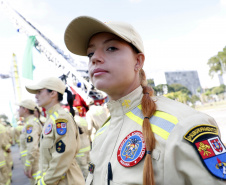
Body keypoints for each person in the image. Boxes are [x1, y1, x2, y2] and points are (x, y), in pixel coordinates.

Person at [64, 16, 226, 185]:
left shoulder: (184, 126)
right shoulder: (102, 133)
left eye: (111, 48)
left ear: (138, 61)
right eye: (90, 53)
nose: (95, 58)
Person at [25, 77, 85, 185]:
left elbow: (62, 157)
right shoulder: (51, 118)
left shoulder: (61, 118)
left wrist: (44, 182)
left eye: (39, 92)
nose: (36, 96)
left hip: (65, 181)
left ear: (53, 93)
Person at [17, 99, 42, 184]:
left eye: (20, 107)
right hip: (34, 162)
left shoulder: (31, 124)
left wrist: (28, 165)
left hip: (35, 164)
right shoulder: (29, 123)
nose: (18, 110)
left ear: (25, 109)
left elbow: (32, 147)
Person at [74, 107, 91, 179]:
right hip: (87, 144)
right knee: (89, 164)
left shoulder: (73, 121)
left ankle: (89, 181)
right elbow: (88, 131)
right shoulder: (83, 120)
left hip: (80, 147)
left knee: (83, 166)